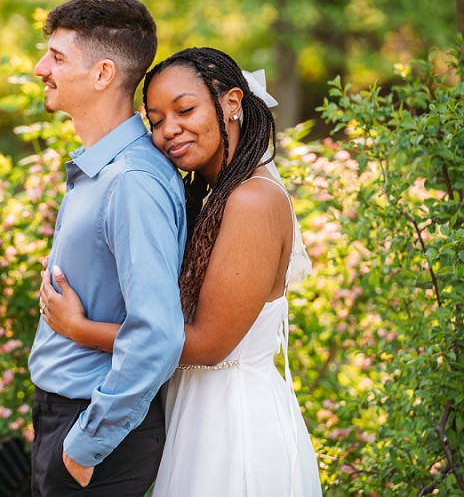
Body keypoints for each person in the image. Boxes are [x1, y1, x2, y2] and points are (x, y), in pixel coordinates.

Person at [39, 47, 323, 496]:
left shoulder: (253, 200)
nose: (169, 129)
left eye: (184, 110)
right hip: (193, 411)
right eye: (155, 120)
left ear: (232, 102)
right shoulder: (214, 195)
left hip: (232, 424)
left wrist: (80, 328)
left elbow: (209, 344)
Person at [27, 0, 188, 496]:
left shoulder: (131, 182)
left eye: (56, 57)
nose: (40, 68)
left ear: (102, 74)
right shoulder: (103, 172)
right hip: (67, 421)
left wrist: (84, 446)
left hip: (97, 437)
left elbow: (157, 335)